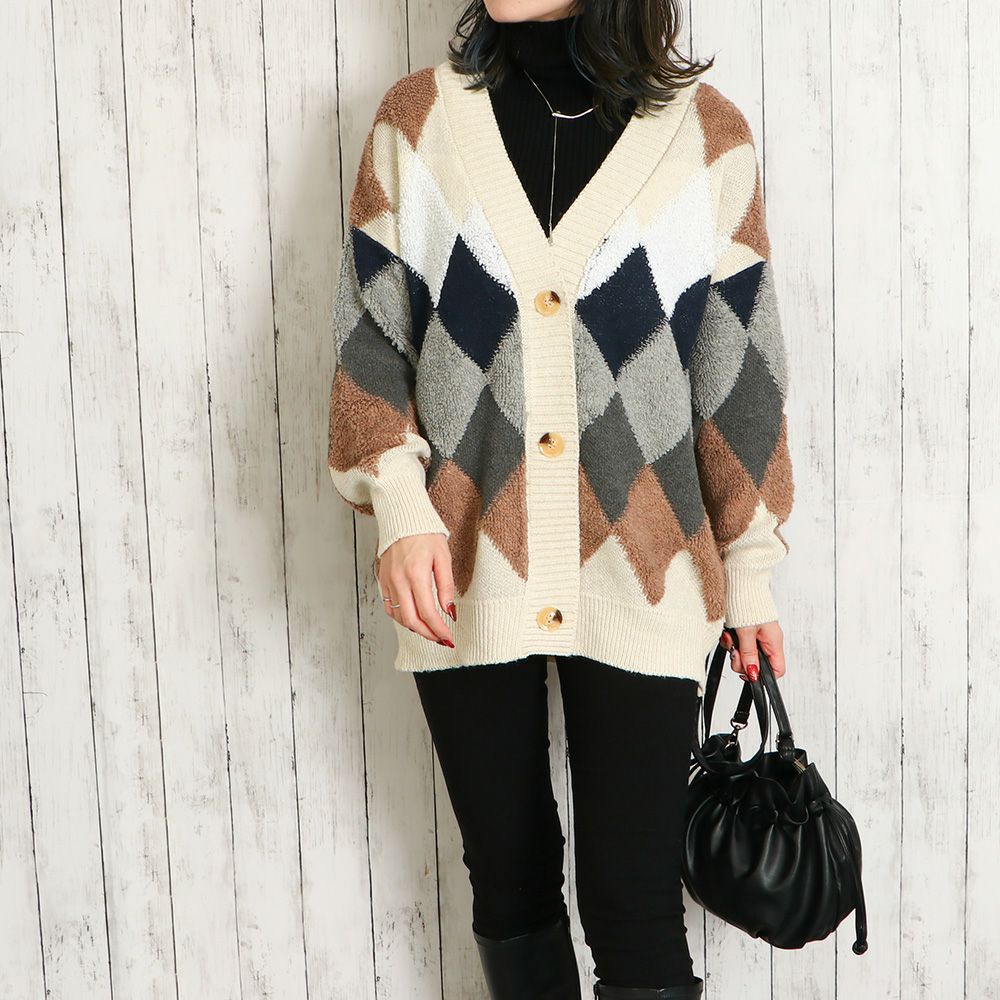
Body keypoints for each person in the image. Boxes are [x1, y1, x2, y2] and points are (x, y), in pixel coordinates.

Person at [327, 1, 795, 996]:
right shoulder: (416, 123)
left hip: (648, 560)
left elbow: (739, 379)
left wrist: (750, 572)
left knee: (633, 908)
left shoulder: (706, 138)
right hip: (461, 565)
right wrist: (399, 509)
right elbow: (370, 345)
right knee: (510, 887)